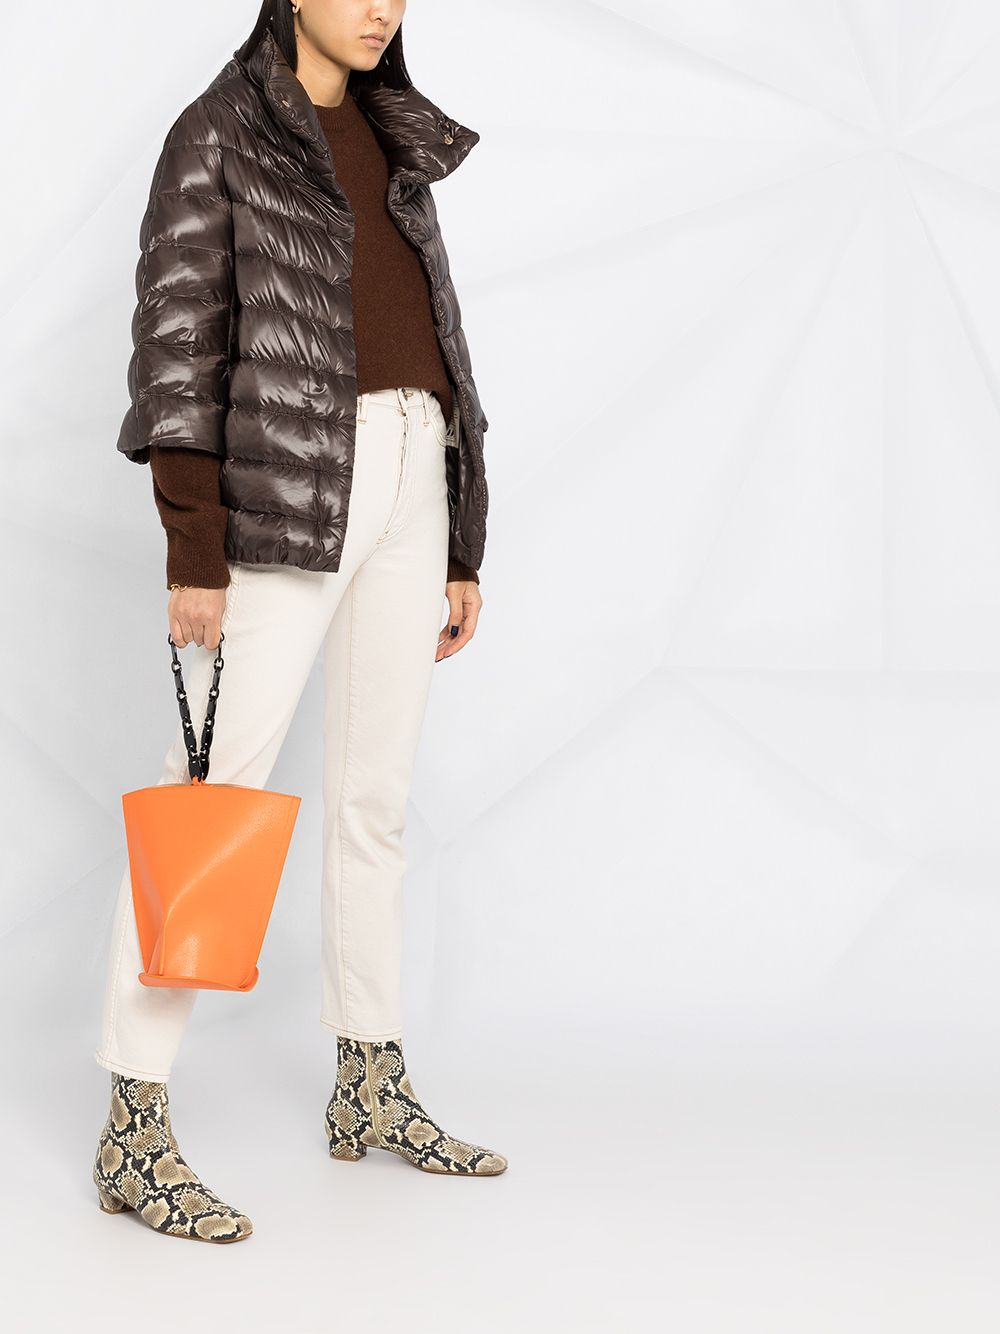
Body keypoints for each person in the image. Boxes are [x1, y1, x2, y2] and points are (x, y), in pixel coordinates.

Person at [91, 0, 505, 1246]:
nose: (384, 7)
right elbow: (176, 347)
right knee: (212, 798)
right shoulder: (218, 131)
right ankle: (133, 1122)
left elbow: (438, 337)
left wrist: (460, 534)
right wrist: (193, 544)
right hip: (283, 493)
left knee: (373, 800)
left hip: (410, 475)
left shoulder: (391, 129)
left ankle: (368, 1078)